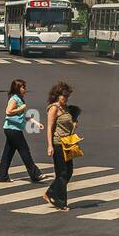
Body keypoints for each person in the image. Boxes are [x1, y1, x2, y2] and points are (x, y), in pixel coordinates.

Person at [0, 79, 44, 184]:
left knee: (8, 153)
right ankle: (35, 174)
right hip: (13, 129)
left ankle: (2, 176)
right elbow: (8, 112)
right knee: (24, 151)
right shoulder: (14, 99)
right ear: (17, 88)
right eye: (23, 87)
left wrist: (36, 123)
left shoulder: (19, 99)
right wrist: (21, 108)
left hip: (11, 129)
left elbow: (25, 115)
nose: (25, 89)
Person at [43, 81, 75, 212]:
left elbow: (68, 124)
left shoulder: (66, 108)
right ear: (57, 95)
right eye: (64, 96)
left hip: (68, 143)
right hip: (58, 143)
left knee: (69, 171)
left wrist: (74, 125)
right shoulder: (54, 108)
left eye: (67, 96)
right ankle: (61, 202)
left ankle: (51, 192)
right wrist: (49, 145)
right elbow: (50, 128)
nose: (65, 99)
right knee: (62, 173)